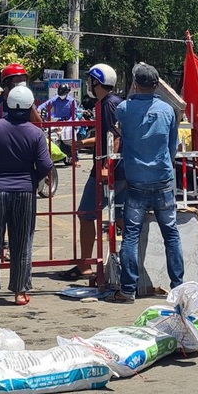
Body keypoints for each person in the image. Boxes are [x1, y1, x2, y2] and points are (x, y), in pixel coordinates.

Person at [0, 86, 53, 308]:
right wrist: (33, 180)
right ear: (29, 106)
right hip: (24, 192)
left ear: (7, 105)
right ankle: (20, 292)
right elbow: (46, 165)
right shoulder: (35, 133)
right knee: (22, 241)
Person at [112, 63, 184, 303]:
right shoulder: (168, 110)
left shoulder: (123, 109)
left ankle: (128, 289)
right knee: (171, 235)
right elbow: (172, 146)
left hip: (136, 182)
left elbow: (117, 127)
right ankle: (178, 287)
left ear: (135, 84)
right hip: (163, 179)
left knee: (131, 235)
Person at [57, 63, 126, 284]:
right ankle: (125, 262)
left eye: (90, 81)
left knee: (87, 214)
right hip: (118, 168)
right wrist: (84, 143)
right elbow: (107, 135)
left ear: (97, 82)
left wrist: (107, 167)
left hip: (106, 170)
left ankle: (86, 264)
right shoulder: (113, 103)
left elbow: (114, 137)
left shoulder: (107, 105)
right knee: (122, 217)